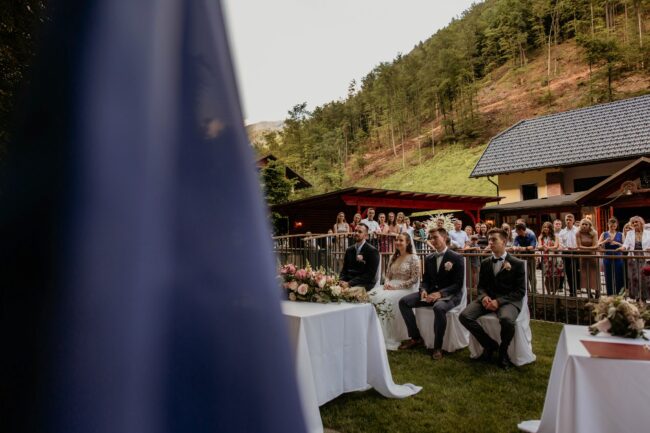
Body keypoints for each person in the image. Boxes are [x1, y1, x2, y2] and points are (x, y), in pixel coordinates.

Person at [459, 228, 526, 370]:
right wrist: (484, 297)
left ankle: (503, 352)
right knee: (464, 316)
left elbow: (520, 292)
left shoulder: (517, 263)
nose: (490, 242)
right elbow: (481, 286)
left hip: (508, 301)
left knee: (507, 320)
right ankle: (489, 345)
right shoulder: (485, 262)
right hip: (488, 298)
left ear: (504, 241)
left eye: (494, 239)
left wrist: (499, 302)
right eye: (489, 240)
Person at [398, 228, 464, 360]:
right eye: (431, 238)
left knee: (438, 308)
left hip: (451, 295)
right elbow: (426, 280)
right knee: (403, 302)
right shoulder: (429, 258)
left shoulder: (456, 257)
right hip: (431, 293)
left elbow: (458, 284)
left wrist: (440, 294)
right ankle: (416, 337)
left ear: (444, 238)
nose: (432, 240)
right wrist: (423, 290)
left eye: (435, 237)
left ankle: (438, 347)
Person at [369, 233, 421, 350]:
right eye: (397, 240)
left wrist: (397, 287)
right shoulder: (394, 257)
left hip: (406, 289)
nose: (397, 242)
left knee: (385, 300)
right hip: (390, 286)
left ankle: (386, 334)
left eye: (401, 240)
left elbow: (414, 279)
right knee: (371, 296)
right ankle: (373, 332)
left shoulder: (413, 258)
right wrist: (387, 283)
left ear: (408, 242)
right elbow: (388, 275)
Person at [339, 223, 380, 293]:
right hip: (348, 281)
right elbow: (344, 270)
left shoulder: (372, 251)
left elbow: (369, 275)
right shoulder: (349, 250)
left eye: (360, 232)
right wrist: (341, 280)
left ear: (366, 235)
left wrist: (349, 283)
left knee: (348, 292)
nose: (356, 233)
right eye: (355, 231)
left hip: (364, 283)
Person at [622, 216, 650, 301]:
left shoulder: (648, 233)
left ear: (641, 222)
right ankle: (637, 297)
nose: (634, 224)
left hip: (645, 258)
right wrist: (623, 248)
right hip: (633, 258)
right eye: (633, 222)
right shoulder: (630, 233)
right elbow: (626, 244)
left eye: (636, 222)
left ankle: (644, 298)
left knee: (645, 278)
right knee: (634, 278)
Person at [598, 217, 624, 296]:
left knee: (619, 276)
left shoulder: (621, 234)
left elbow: (625, 245)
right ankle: (609, 295)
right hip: (607, 256)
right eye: (611, 225)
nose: (612, 227)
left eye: (614, 225)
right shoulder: (604, 234)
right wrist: (605, 241)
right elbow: (598, 244)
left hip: (618, 256)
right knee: (608, 276)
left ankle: (619, 295)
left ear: (617, 225)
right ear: (608, 225)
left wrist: (617, 243)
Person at [576, 218, 600, 299]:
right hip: (583, 257)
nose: (584, 226)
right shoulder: (578, 233)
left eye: (586, 224)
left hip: (593, 256)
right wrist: (590, 248)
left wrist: (585, 248)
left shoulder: (594, 233)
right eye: (582, 224)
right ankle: (589, 294)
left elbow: (595, 246)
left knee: (595, 275)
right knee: (585, 275)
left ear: (590, 225)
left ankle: (597, 293)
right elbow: (579, 246)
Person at [537, 221, 562, 294]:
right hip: (546, 258)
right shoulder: (541, 237)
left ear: (550, 228)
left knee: (557, 276)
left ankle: (554, 292)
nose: (546, 228)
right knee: (547, 277)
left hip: (555, 258)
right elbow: (539, 246)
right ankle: (548, 293)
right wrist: (542, 246)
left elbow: (556, 246)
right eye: (544, 227)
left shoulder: (555, 236)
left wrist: (547, 247)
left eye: (548, 227)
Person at [559, 214, 579, 296]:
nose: (568, 221)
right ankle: (572, 291)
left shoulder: (577, 230)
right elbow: (560, 243)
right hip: (566, 252)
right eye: (567, 220)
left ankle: (577, 289)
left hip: (576, 252)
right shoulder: (562, 232)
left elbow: (579, 241)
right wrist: (566, 248)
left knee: (575, 271)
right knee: (568, 272)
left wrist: (576, 248)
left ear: (573, 221)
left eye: (570, 220)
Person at [513, 222, 537, 292]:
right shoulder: (517, 237)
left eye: (516, 230)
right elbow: (514, 245)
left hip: (531, 257)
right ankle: (527, 290)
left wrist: (523, 248)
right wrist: (515, 248)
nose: (516, 232)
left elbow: (532, 247)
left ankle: (534, 290)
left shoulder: (531, 236)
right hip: (522, 258)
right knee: (524, 274)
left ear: (521, 230)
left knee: (532, 275)